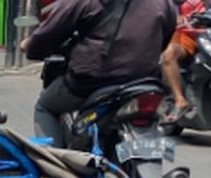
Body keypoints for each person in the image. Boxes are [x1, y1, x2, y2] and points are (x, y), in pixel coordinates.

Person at [24, 0, 177, 146]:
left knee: (45, 107)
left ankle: (53, 166)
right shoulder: (163, 3)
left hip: (92, 82)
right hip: (144, 82)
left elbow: (49, 33)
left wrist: (31, 47)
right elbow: (165, 36)